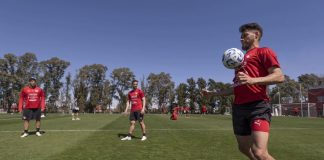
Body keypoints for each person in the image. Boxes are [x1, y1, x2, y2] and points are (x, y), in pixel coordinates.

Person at [202, 22, 284, 160]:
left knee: (259, 152)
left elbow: (279, 76)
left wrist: (253, 80)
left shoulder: (264, 51)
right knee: (243, 148)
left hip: (258, 106)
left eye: (245, 35)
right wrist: (213, 93)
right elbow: (236, 88)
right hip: (239, 107)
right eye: (241, 36)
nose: (241, 39)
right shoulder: (239, 61)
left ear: (256, 35)